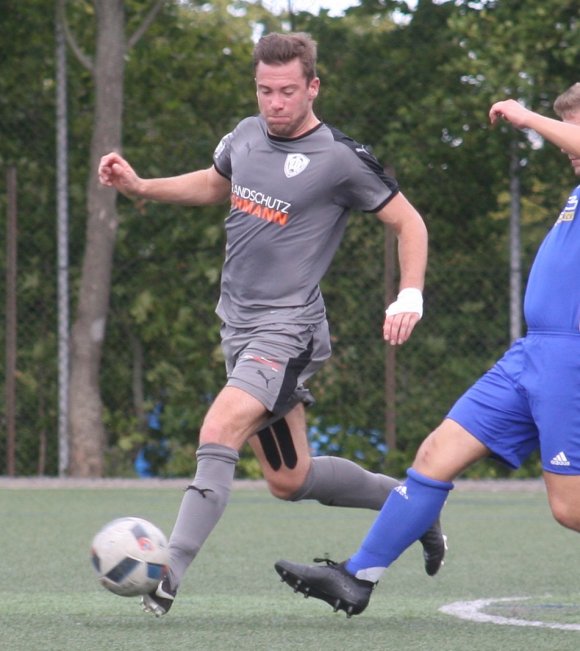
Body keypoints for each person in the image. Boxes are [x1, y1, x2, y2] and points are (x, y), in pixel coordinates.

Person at [98, 31, 444, 617]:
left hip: (289, 332)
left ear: (313, 87)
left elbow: (410, 224)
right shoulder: (246, 134)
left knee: (220, 424)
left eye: (287, 92)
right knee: (290, 478)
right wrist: (140, 187)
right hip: (238, 326)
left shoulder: (339, 158)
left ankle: (169, 570)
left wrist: (409, 294)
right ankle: (413, 507)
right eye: (265, 91)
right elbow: (217, 183)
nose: (275, 103)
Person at [274, 83, 580, 617]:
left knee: (569, 508)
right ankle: (357, 577)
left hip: (570, 362)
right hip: (531, 356)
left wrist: (527, 116)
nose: (569, 146)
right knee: (435, 456)